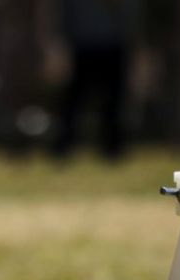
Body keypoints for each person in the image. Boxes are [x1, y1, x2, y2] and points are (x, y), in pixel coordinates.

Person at [52, 0, 140, 160]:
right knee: (74, 100)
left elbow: (130, 11)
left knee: (113, 100)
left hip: (113, 43)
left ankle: (113, 148)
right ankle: (63, 146)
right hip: (83, 44)